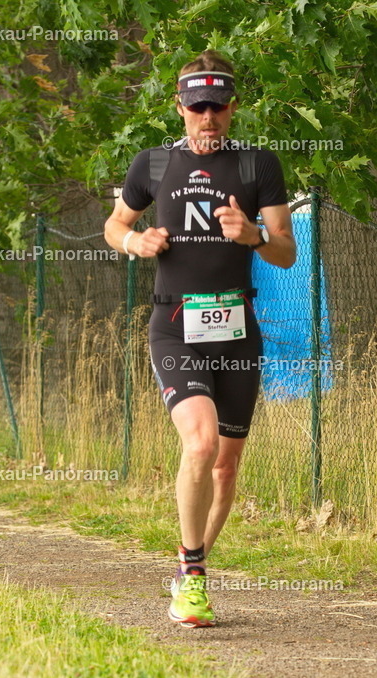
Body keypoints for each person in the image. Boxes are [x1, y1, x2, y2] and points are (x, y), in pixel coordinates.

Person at [104, 49, 295, 628]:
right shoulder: (154, 164)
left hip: (238, 332)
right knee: (201, 443)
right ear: (180, 108)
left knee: (225, 468)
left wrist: (254, 235)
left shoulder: (257, 165)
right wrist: (134, 242)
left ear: (233, 107)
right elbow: (115, 224)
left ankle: (189, 563)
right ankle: (192, 580)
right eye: (197, 107)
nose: (207, 117)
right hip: (175, 326)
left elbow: (287, 252)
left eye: (217, 106)